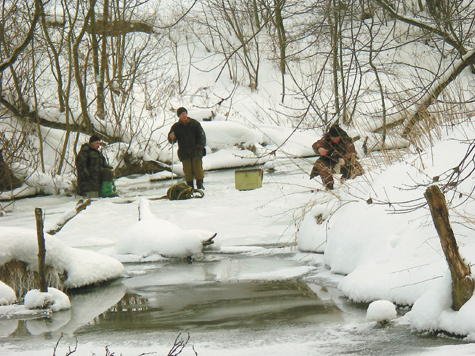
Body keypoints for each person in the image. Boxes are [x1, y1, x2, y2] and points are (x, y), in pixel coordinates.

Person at [310, 124, 364, 190]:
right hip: (329, 161)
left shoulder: (346, 141)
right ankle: (329, 186)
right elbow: (317, 144)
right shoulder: (326, 139)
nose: (335, 140)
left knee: (357, 168)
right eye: (333, 138)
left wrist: (343, 160)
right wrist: (319, 148)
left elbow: (351, 153)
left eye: (336, 138)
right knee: (320, 164)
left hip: (343, 162)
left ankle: (345, 183)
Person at [168, 107, 207, 190]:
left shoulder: (194, 123)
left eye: (185, 113)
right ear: (179, 116)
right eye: (182, 114)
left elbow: (202, 136)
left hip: (196, 151)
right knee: (187, 171)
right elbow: (171, 140)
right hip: (184, 153)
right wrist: (172, 137)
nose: (184, 116)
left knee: (198, 169)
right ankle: (190, 187)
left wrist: (199, 147)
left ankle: (200, 186)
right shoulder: (176, 127)